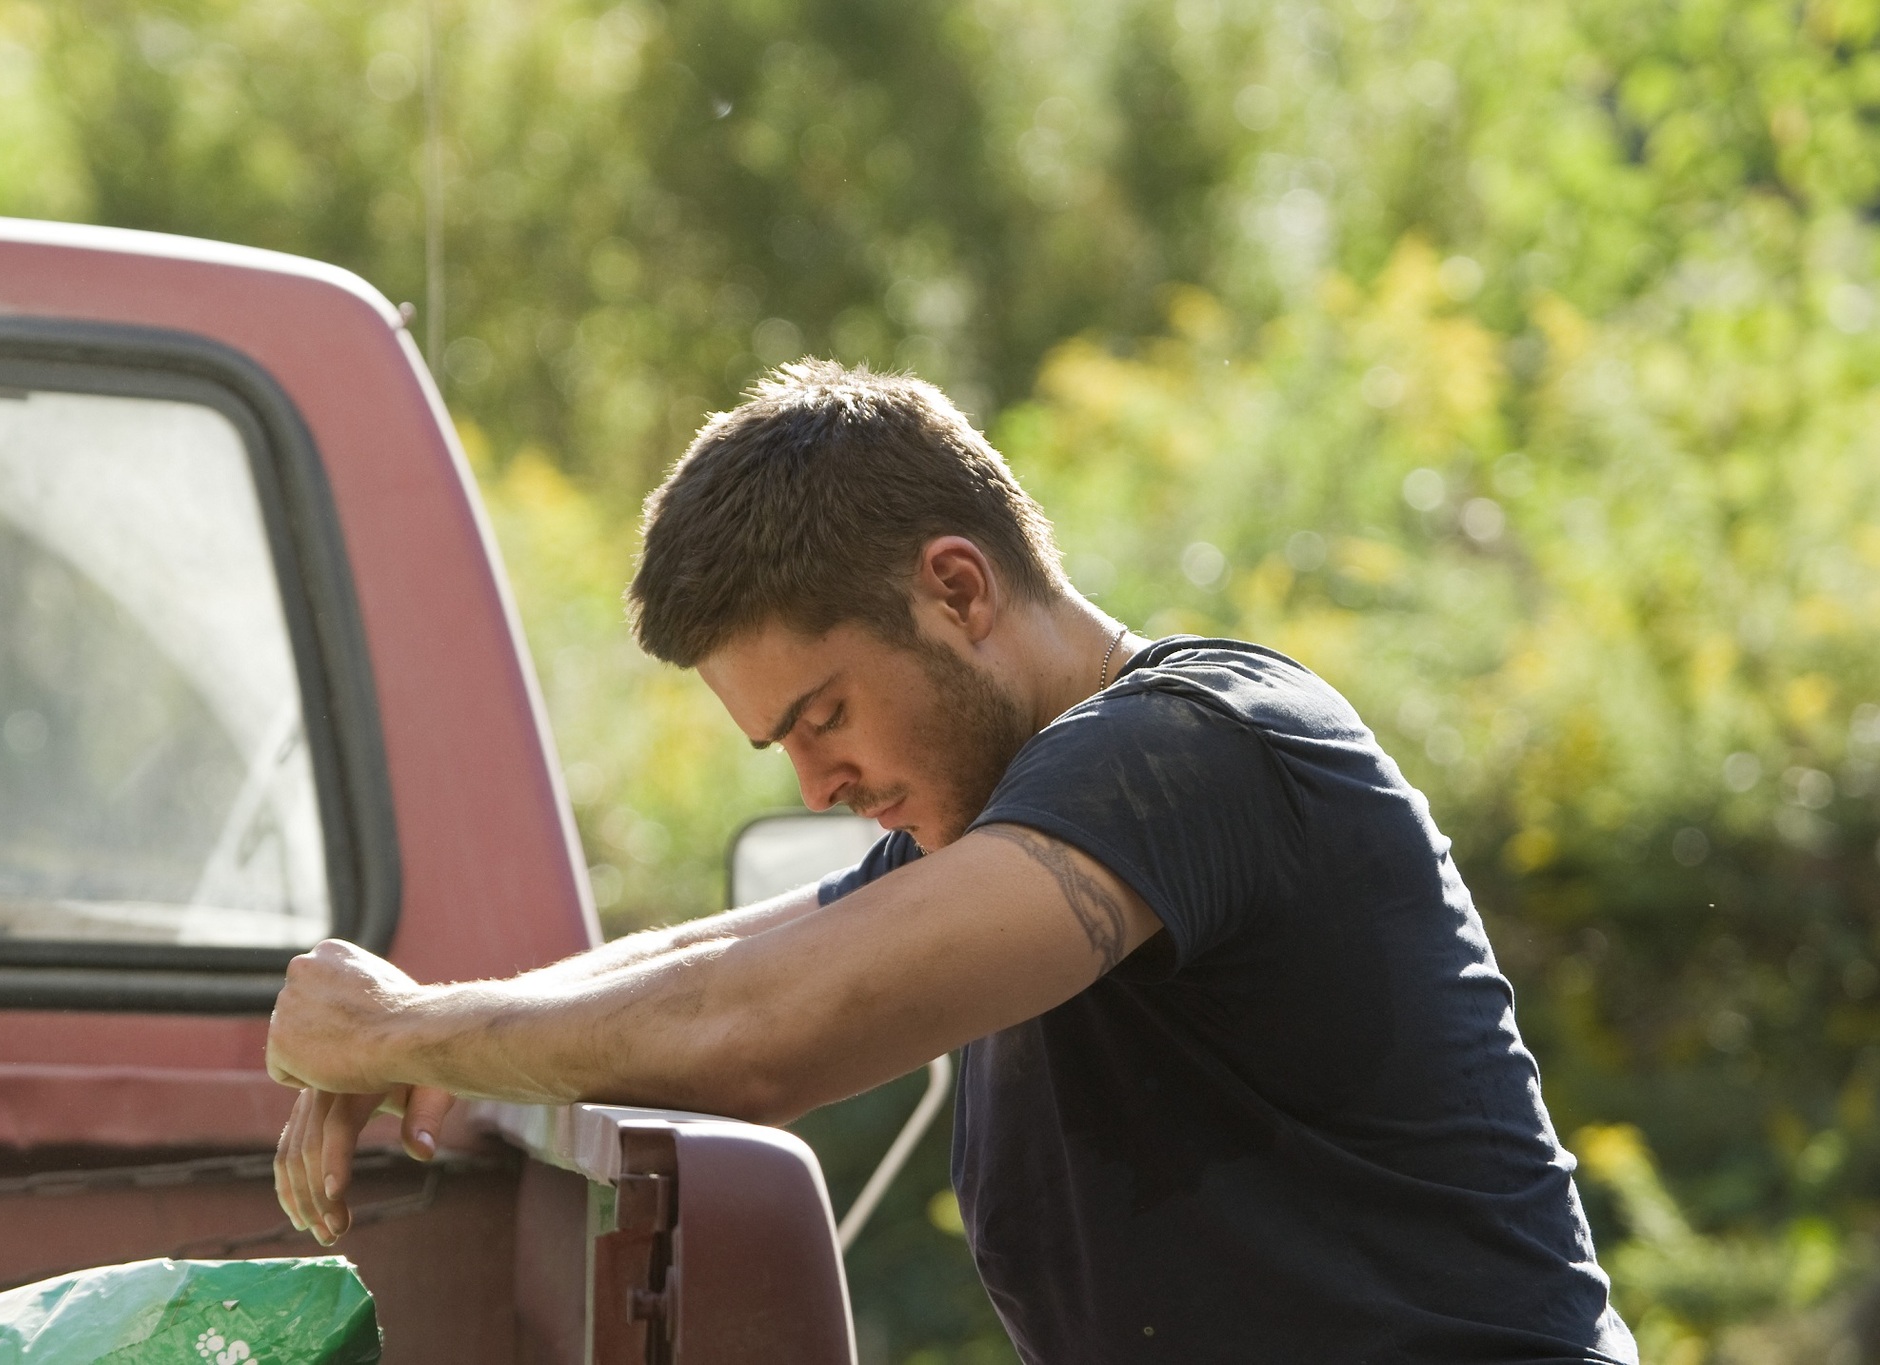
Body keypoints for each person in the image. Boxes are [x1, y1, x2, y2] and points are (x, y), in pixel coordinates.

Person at [267, 359, 1637, 1363]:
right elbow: (724, 954)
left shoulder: (1198, 748)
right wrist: (420, 1035)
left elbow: (760, 1033)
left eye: (823, 715)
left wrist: (401, 1025)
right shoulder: (1014, 819)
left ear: (959, 590)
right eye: (781, 750)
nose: (819, 782)